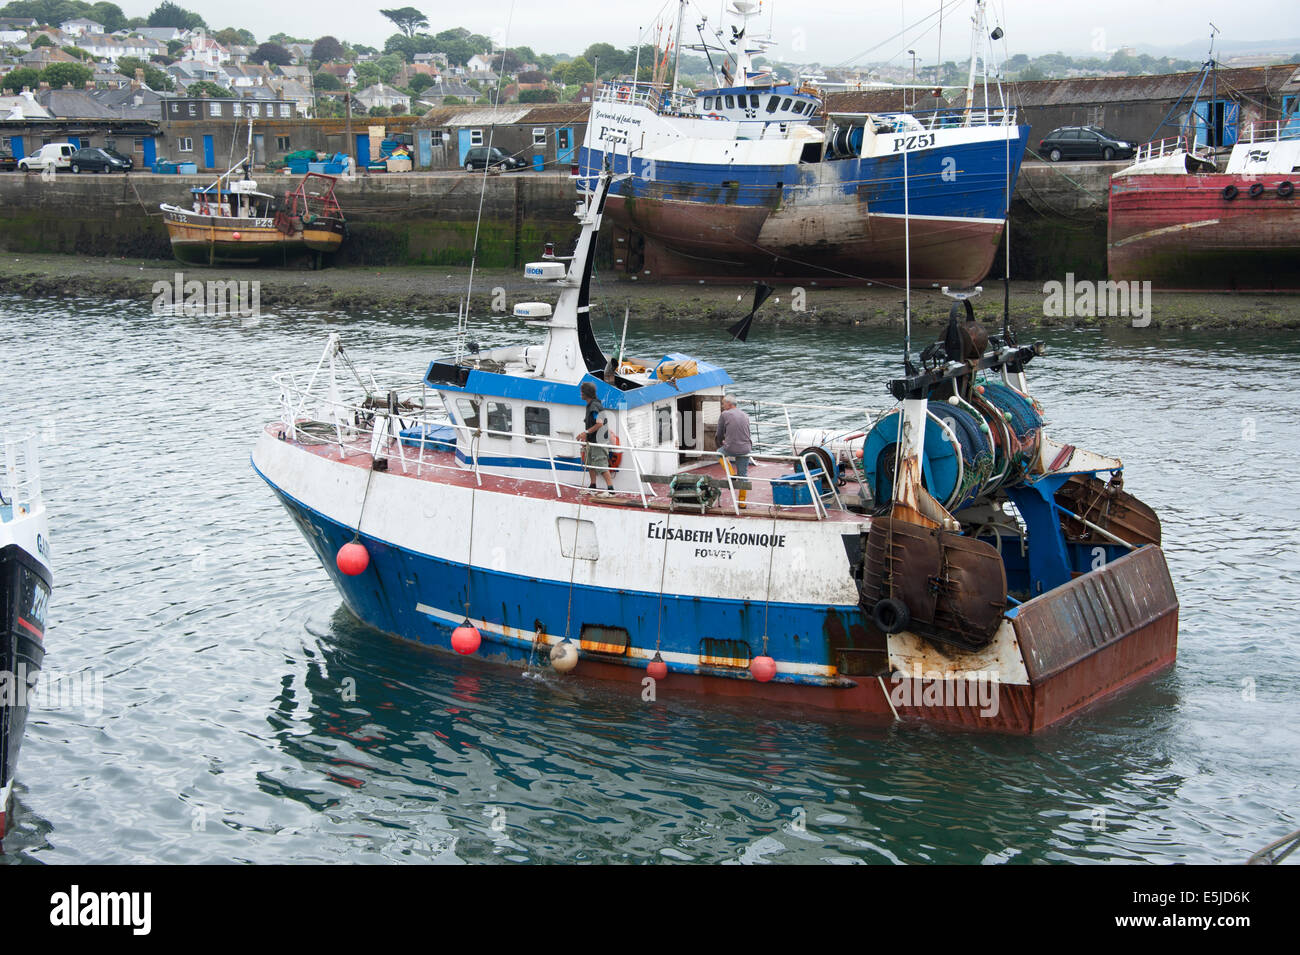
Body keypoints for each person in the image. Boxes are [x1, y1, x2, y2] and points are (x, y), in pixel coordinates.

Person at [579, 381, 615, 496]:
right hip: (592, 441)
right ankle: (593, 487)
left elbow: (599, 423)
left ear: (586, 394)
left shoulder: (594, 406)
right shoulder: (592, 405)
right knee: (590, 464)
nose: (580, 394)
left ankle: (611, 491)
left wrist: (586, 432)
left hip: (598, 441)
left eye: (582, 392)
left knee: (601, 464)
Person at [716, 395, 752, 507]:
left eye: (723, 404)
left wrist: (720, 443)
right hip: (746, 448)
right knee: (743, 475)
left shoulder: (725, 414)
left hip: (731, 448)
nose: (722, 406)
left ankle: (731, 474)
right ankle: (742, 502)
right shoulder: (745, 415)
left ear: (729, 404)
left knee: (719, 453)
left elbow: (720, 433)